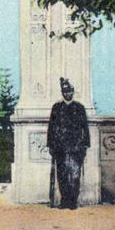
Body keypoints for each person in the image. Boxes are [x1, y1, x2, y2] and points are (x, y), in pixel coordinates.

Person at [46, 77, 90, 210]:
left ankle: (73, 201)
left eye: (69, 92)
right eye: (65, 92)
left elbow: (85, 128)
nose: (67, 94)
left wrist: (85, 145)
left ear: (73, 92)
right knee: (62, 175)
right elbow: (51, 128)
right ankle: (64, 201)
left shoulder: (80, 108)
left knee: (75, 175)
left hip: (76, 147)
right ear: (62, 93)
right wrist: (51, 145)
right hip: (60, 147)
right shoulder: (56, 108)